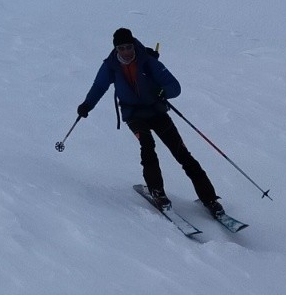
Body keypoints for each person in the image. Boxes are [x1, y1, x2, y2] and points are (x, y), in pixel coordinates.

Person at [77, 27, 224, 218]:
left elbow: (174, 86)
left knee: (181, 152)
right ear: (115, 49)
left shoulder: (147, 61)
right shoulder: (110, 66)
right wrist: (87, 105)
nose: (126, 52)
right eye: (121, 48)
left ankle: (210, 199)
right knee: (147, 146)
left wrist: (163, 91)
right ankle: (158, 193)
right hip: (134, 114)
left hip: (156, 111)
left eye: (129, 47)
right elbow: (99, 86)